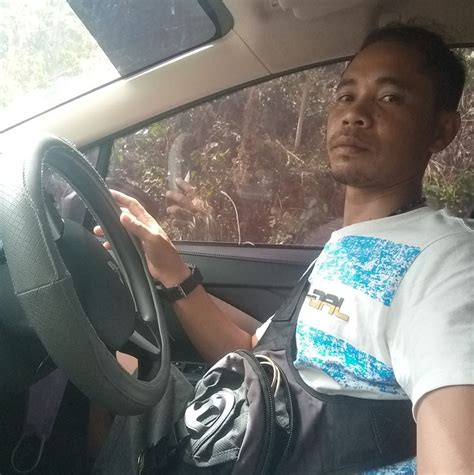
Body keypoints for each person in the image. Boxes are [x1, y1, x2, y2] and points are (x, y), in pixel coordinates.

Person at [95, 23, 473, 473]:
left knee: (100, 366)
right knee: (118, 364)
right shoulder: (350, 243)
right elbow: (259, 355)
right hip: (246, 438)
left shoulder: (447, 264)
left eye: (390, 98)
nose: (356, 114)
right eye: (346, 95)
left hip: (263, 453)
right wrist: (170, 270)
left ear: (441, 130)